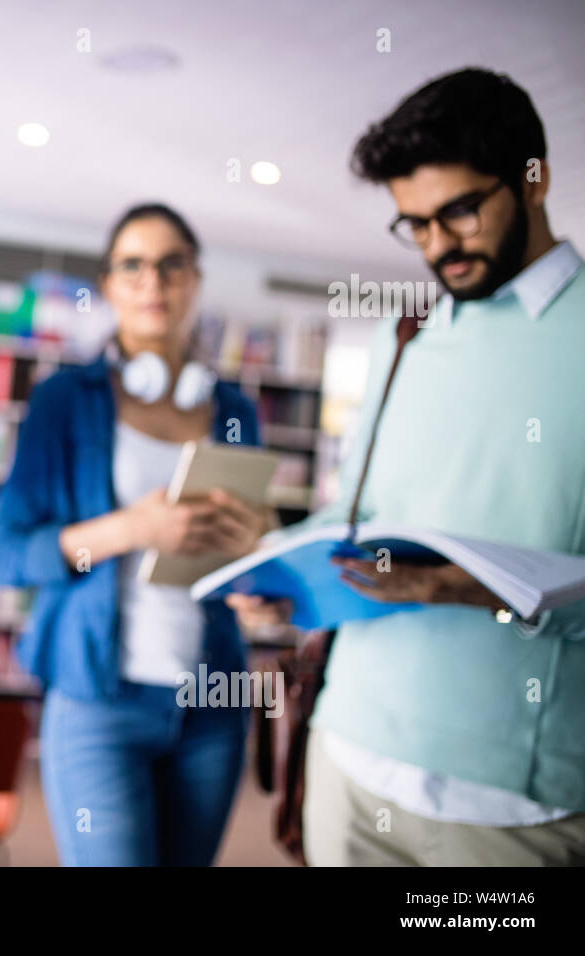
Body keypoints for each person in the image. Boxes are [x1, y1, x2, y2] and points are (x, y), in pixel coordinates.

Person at [231, 68, 585, 865]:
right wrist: (279, 568)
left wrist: (461, 587)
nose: (435, 246)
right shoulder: (410, 334)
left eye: (458, 212)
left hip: (513, 802)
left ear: (535, 180)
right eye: (413, 223)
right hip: (348, 756)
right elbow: (361, 510)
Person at [0, 203, 272, 866]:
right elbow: (6, 555)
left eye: (172, 265)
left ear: (195, 280)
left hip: (211, 702)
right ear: (109, 284)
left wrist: (256, 567)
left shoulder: (233, 409)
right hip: (97, 700)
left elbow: (244, 547)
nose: (154, 282)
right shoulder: (65, 400)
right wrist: (131, 529)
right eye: (133, 265)